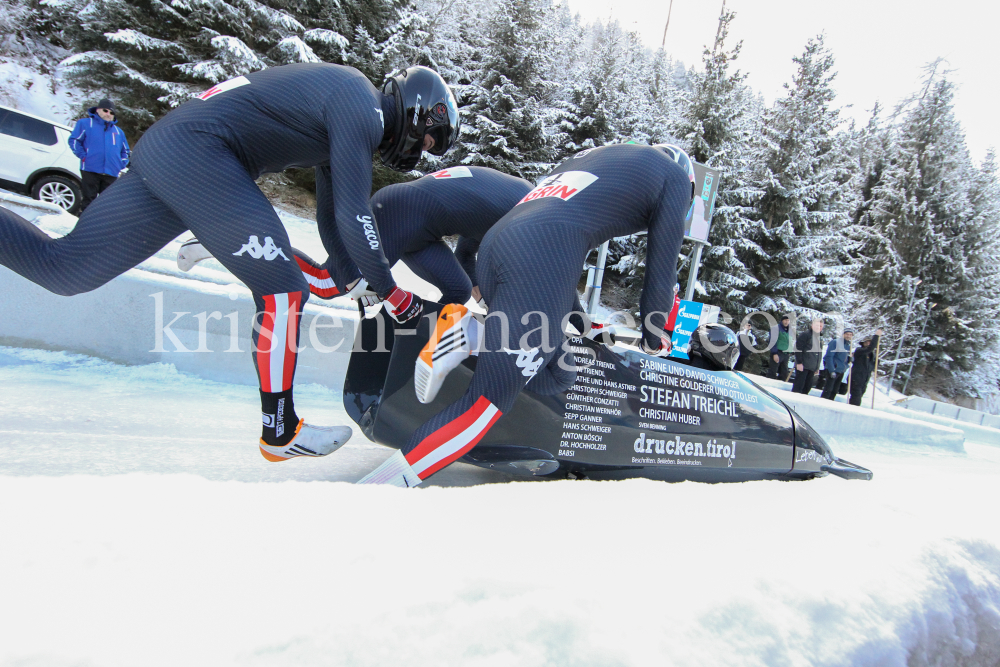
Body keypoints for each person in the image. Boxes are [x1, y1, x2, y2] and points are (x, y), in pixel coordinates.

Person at [0, 63, 459, 462]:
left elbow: (330, 215)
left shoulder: (351, 101)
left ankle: (279, 424)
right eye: (430, 139)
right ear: (419, 112)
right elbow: (355, 214)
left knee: (65, 270)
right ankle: (280, 430)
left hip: (172, 147)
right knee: (283, 291)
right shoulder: (363, 108)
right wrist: (396, 295)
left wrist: (353, 273)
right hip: (204, 153)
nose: (422, 150)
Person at [356, 142, 695, 486]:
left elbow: (554, 231)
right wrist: (654, 334)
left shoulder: (593, 156)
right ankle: (382, 486)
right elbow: (661, 268)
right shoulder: (675, 179)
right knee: (483, 407)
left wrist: (578, 324)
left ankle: (473, 335)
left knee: (561, 370)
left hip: (499, 246)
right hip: (542, 257)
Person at [177, 166, 532, 309]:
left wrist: (482, 296)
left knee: (455, 293)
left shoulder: (524, 200)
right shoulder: (530, 212)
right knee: (329, 282)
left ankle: (419, 354)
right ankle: (220, 243)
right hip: (400, 213)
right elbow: (497, 263)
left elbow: (469, 253)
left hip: (418, 224)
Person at [67, 98, 131, 212]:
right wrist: (84, 156)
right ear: (98, 110)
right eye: (105, 111)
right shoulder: (85, 123)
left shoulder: (118, 131)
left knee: (106, 205)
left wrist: (121, 164)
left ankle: (101, 228)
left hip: (111, 172)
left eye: (112, 112)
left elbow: (125, 150)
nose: (108, 114)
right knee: (88, 201)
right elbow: (74, 140)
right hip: (90, 169)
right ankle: (84, 227)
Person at [849, 329, 882, 406]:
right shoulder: (859, 351)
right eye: (867, 342)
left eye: (870, 342)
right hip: (856, 379)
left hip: (864, 380)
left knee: (858, 397)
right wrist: (877, 336)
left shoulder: (872, 355)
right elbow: (869, 349)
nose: (868, 344)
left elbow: (872, 367)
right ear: (863, 343)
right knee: (856, 399)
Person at [793, 318, 824, 394]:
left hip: (812, 367)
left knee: (807, 387)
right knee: (799, 386)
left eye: (820, 326)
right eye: (817, 325)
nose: (818, 327)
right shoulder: (806, 335)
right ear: (812, 325)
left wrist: (817, 367)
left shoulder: (819, 338)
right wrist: (799, 363)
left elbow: (818, 353)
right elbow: (798, 348)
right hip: (803, 365)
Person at [821, 328, 854, 400]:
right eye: (847, 334)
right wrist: (831, 370)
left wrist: (850, 360)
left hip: (841, 370)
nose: (848, 336)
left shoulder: (848, 345)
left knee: (834, 391)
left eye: (850, 335)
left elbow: (845, 358)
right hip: (833, 369)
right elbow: (829, 356)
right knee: (828, 390)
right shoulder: (835, 342)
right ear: (843, 334)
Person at [767, 314, 793, 381]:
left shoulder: (790, 330)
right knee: (773, 371)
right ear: (782, 320)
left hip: (786, 354)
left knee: (784, 373)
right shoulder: (776, 328)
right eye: (785, 320)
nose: (786, 322)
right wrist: (774, 353)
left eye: (788, 320)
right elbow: (772, 341)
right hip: (778, 352)